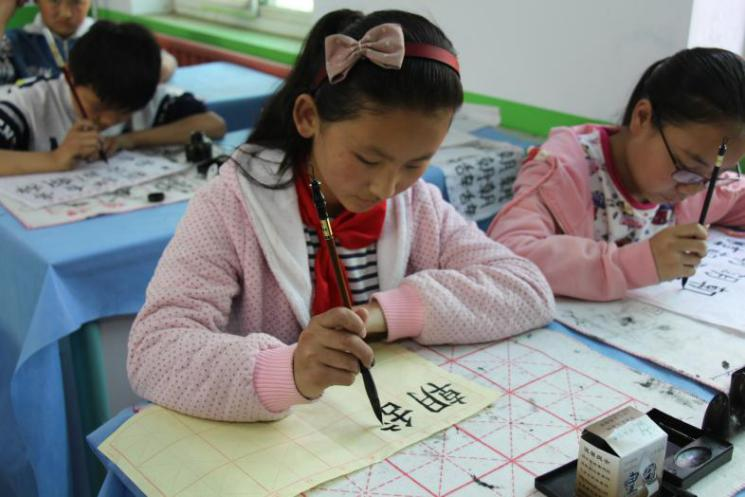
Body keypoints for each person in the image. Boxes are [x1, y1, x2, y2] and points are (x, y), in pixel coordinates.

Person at [127, 9, 554, 422]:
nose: (385, 188)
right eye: (367, 159)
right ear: (308, 117)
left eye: (415, 163)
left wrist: (384, 315)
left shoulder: (416, 203)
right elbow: (153, 351)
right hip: (276, 441)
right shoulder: (232, 205)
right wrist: (289, 370)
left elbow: (527, 289)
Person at [488, 47, 745, 301]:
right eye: (688, 168)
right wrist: (635, 264)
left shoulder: (697, 184)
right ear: (642, 118)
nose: (693, 189)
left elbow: (734, 194)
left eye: (715, 176)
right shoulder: (561, 171)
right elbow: (508, 253)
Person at [0, 19, 225, 175]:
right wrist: (55, 159)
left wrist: (128, 140)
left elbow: (213, 125)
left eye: (124, 112)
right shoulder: (29, 103)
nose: (108, 121)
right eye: (98, 107)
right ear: (70, 75)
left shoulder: (139, 94)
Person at [0, 0, 177, 85]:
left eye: (76, 2)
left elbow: (164, 62)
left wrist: (163, 64)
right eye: (54, 1)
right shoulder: (15, 43)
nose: (66, 13)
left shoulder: (108, 37)